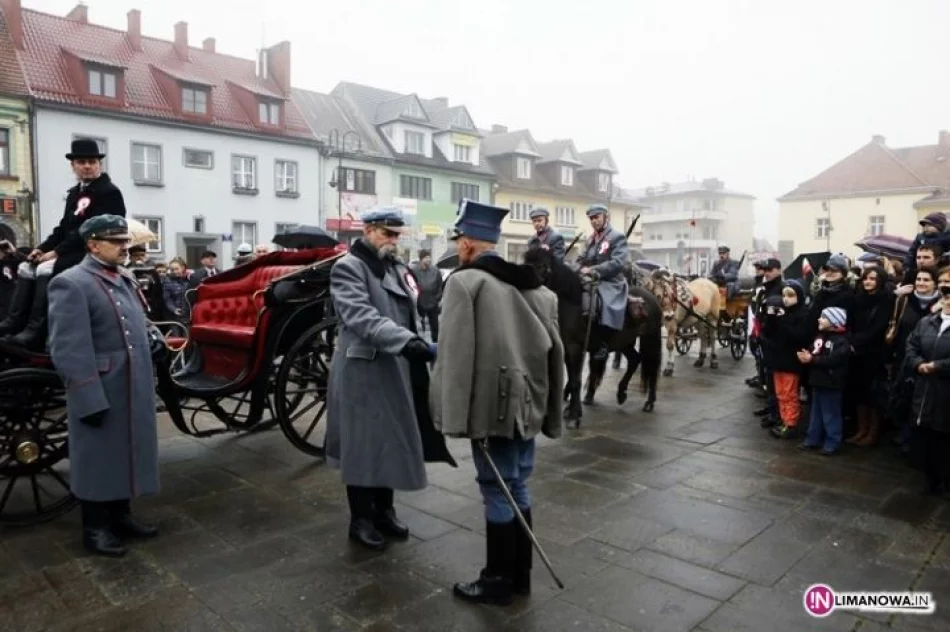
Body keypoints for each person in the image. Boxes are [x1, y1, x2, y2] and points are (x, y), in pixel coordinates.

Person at [430, 199, 564, 605]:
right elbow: (556, 353)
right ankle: (519, 576)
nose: (459, 247)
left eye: (459, 240)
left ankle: (497, 580)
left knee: (495, 487)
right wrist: (553, 409)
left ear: (468, 243)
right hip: (529, 404)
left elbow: (454, 357)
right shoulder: (539, 289)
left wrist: (450, 416)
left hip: (490, 405)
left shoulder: (464, 283)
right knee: (517, 484)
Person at [325, 207, 456, 551]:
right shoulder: (348, 267)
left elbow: (409, 313)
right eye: (387, 233)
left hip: (395, 367)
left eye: (397, 234)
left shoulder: (396, 267)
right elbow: (361, 316)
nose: (394, 240)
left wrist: (416, 342)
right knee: (363, 445)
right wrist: (408, 343)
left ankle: (385, 510)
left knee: (391, 441)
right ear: (368, 230)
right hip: (363, 369)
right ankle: (361, 519)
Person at [47, 215, 159, 557]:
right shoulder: (72, 282)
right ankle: (95, 528)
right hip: (101, 385)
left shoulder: (122, 277)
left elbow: (136, 319)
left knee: (125, 452)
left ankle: (120, 516)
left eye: (125, 241)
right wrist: (87, 395)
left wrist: (152, 337)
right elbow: (68, 348)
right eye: (117, 241)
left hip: (132, 381)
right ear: (93, 244)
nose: (125, 246)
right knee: (98, 457)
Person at [0, 139, 126, 349]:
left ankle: (37, 330)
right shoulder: (74, 194)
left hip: (92, 252)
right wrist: (41, 248)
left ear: (99, 165)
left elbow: (92, 230)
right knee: (25, 266)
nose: (87, 166)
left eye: (92, 162)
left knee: (46, 267)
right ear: (73, 166)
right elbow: (63, 229)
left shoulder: (108, 192)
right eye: (82, 162)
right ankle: (16, 322)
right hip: (69, 250)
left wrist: (56, 253)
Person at [905, 266, 950, 497]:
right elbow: (911, 344)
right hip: (925, 389)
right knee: (928, 436)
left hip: (945, 388)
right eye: (943, 284)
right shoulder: (928, 322)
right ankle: (931, 479)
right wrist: (917, 363)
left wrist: (938, 366)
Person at [845, 265, 894, 446]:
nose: (868, 282)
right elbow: (849, 322)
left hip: (874, 353)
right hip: (856, 353)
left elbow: (878, 328)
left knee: (873, 395)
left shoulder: (886, 300)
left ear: (880, 281)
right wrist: (850, 339)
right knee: (859, 392)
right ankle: (861, 430)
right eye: (866, 278)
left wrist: (856, 340)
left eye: (873, 279)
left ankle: (872, 433)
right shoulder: (857, 299)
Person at [575, 204, 629, 360]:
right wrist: (573, 267)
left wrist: (592, 270)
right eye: (591, 218)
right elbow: (581, 259)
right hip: (590, 278)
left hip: (611, 281)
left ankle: (603, 342)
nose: (594, 221)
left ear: (606, 217)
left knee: (598, 300)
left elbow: (617, 263)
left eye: (596, 217)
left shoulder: (617, 237)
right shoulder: (591, 239)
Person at [798, 307, 850, 456]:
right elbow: (814, 350)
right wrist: (807, 355)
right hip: (817, 380)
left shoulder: (841, 341)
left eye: (824, 317)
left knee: (830, 413)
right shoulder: (820, 336)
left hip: (831, 382)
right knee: (816, 412)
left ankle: (832, 442)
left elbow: (834, 360)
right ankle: (812, 439)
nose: (819, 319)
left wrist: (812, 359)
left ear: (834, 322)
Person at [763, 280, 810, 439]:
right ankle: (784, 420)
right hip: (778, 359)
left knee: (790, 394)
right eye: (784, 295)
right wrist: (770, 318)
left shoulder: (802, 314)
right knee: (780, 393)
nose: (786, 299)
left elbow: (798, 336)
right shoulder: (782, 312)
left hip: (791, 361)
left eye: (790, 295)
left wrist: (782, 320)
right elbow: (769, 333)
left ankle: (791, 423)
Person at [903, 213, 950, 284]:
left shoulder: (946, 239)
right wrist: (907, 267)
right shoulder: (920, 237)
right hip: (919, 270)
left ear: (939, 226)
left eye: (929, 225)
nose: (926, 227)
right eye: (924, 225)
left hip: (940, 269)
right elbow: (911, 253)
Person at [409, 249, 443, 342]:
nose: (429, 259)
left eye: (429, 257)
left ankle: (436, 344)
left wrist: (437, 298)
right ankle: (420, 344)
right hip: (419, 303)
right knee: (419, 326)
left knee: (435, 326)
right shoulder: (413, 270)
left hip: (433, 303)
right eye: (426, 257)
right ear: (421, 259)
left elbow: (440, 285)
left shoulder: (435, 270)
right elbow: (409, 284)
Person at [162, 258, 190, 322]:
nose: (174, 271)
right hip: (175, 314)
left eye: (177, 269)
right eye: (172, 270)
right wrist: (174, 309)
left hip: (190, 313)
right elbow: (167, 298)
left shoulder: (190, 278)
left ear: (183, 268)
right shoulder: (167, 280)